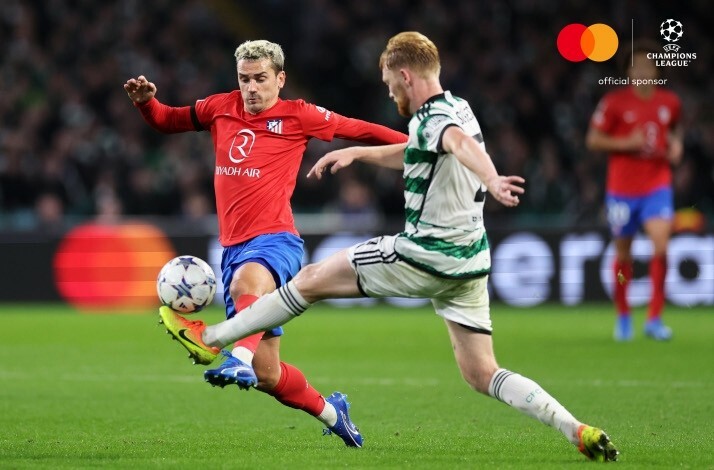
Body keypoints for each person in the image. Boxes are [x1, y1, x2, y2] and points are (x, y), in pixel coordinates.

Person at [158, 32, 619, 462]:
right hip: (470, 262)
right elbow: (425, 146)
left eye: (388, 83)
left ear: (404, 76)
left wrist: (492, 177)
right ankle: (574, 428)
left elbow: (454, 143)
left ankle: (215, 338)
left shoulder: (435, 118)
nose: (388, 94)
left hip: (425, 253)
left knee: (310, 281)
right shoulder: (460, 106)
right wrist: (358, 153)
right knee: (482, 373)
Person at [125, 39, 408, 447]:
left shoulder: (299, 115)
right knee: (269, 374)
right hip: (233, 248)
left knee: (247, 286)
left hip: (277, 239)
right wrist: (147, 104)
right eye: (244, 79)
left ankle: (231, 353)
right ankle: (333, 413)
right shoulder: (219, 107)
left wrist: (420, 145)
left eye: (260, 79)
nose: (252, 88)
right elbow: (169, 120)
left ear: (280, 78)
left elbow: (361, 129)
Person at [586, 40, 683, 342]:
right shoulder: (614, 102)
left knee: (661, 246)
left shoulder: (669, 101)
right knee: (623, 254)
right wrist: (625, 144)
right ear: (628, 72)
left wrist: (677, 144)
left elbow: (675, 129)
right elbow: (593, 140)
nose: (641, 71)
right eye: (636, 66)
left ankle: (654, 318)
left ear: (656, 71)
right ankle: (624, 314)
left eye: (647, 66)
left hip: (657, 184)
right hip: (622, 190)